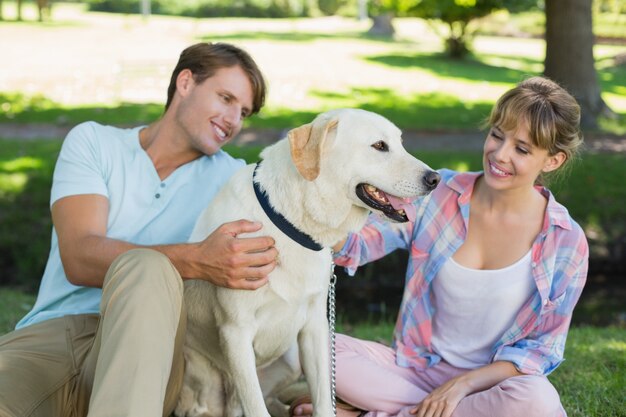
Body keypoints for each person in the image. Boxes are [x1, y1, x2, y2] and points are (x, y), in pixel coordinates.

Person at [0, 42, 278, 417]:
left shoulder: (236, 180)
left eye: (243, 112)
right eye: (226, 98)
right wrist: (197, 260)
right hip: (56, 336)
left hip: (154, 350)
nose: (233, 120)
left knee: (149, 270)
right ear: (185, 82)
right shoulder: (95, 144)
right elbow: (80, 256)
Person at [291, 76, 588, 417]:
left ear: (552, 161)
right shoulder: (439, 192)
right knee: (317, 348)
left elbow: (541, 351)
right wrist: (311, 201)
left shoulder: (565, 241)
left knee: (537, 400)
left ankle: (367, 413)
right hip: (415, 369)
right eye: (496, 135)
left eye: (521, 149)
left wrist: (461, 386)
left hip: (491, 384)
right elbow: (355, 246)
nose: (500, 155)